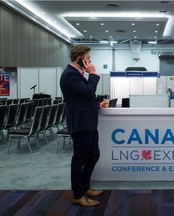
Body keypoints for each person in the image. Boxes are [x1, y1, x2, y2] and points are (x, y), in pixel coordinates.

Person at [60, 45, 107, 207]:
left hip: (88, 122)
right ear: (79, 58)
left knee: (93, 155)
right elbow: (87, 91)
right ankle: (78, 195)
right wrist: (93, 74)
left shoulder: (77, 74)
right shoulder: (70, 75)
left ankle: (85, 187)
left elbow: (84, 97)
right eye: (88, 58)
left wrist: (97, 105)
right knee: (79, 159)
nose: (90, 61)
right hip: (81, 124)